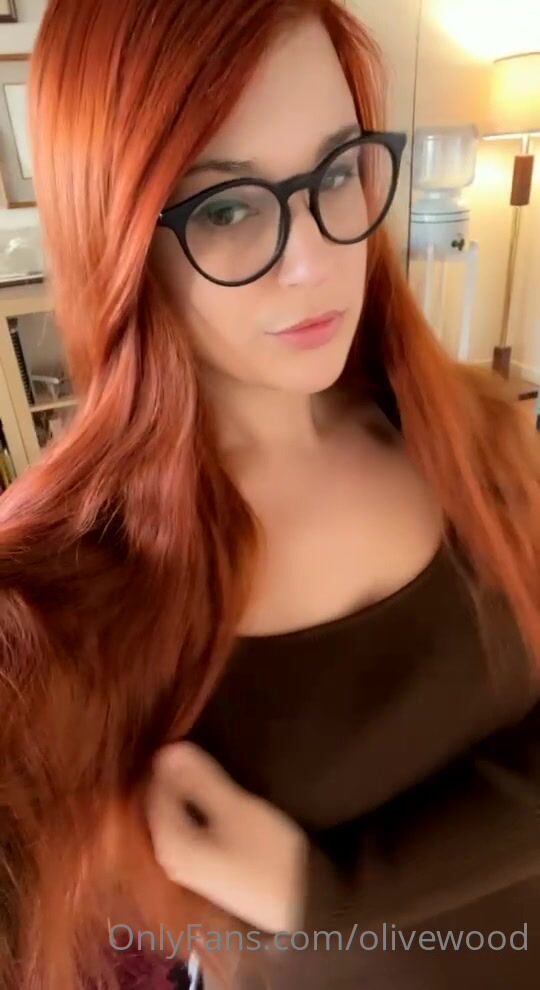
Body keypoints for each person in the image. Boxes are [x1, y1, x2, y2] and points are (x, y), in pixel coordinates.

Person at [0, 1, 539, 989]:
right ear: (118, 236)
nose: (313, 262)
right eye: (225, 208)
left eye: (335, 173)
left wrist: (331, 894)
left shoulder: (476, 432)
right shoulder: (70, 588)